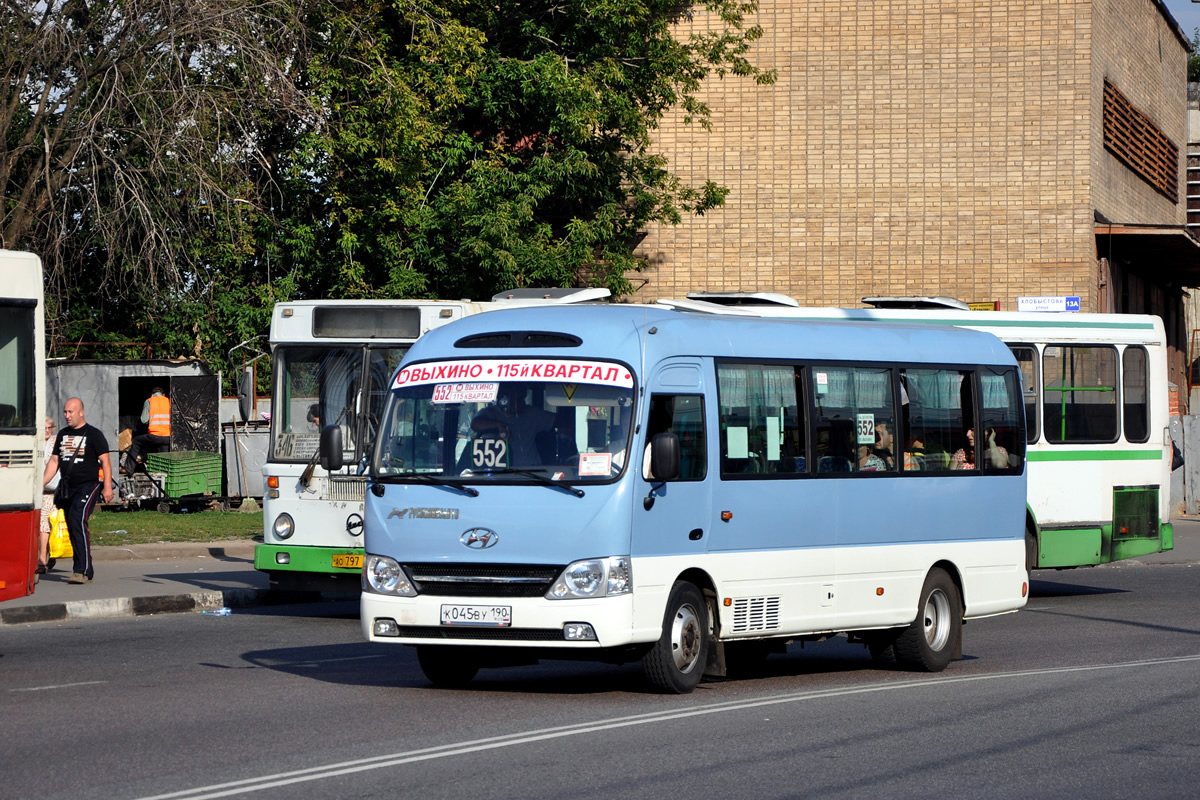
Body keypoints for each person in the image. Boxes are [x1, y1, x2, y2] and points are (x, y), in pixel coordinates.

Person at [43, 397, 114, 584]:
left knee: (77, 519)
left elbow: (105, 462)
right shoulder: (63, 434)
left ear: (81, 412)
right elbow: (54, 462)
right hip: (68, 488)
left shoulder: (94, 434)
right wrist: (40, 484)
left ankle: (81, 570)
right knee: (72, 525)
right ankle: (85, 569)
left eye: (70, 412)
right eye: (65, 412)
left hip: (88, 486)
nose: (67, 415)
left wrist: (107, 487)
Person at [126, 387, 170, 473]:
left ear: (152, 394)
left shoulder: (149, 401)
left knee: (136, 441)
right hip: (167, 437)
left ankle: (129, 469)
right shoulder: (169, 401)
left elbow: (144, 420)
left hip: (154, 436)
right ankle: (165, 474)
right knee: (164, 456)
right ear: (163, 394)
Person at [38, 417, 59, 574]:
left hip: (55, 489)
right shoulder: (36, 443)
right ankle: (45, 557)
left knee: (50, 523)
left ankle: (46, 557)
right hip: (41, 489)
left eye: (49, 427)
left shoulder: (55, 442)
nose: (46, 430)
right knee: (44, 524)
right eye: (43, 427)